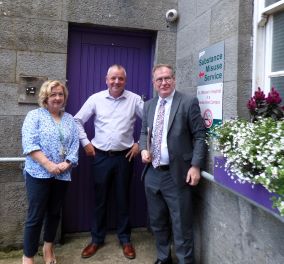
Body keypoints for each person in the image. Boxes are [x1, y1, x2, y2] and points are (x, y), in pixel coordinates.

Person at [74, 64, 144, 260]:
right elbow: (77, 120)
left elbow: (151, 121)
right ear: (106, 79)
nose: (116, 82)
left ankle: (125, 239)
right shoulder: (95, 99)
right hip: (100, 157)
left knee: (123, 199)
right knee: (100, 200)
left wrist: (140, 144)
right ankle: (96, 239)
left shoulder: (135, 99)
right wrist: (86, 143)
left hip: (125, 158)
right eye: (113, 78)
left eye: (120, 78)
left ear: (125, 81)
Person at [139, 64, 207, 264]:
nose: (164, 82)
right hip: (152, 174)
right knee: (157, 222)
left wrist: (195, 166)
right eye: (159, 79)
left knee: (181, 224)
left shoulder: (187, 102)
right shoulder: (149, 105)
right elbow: (144, 133)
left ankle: (186, 261)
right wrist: (144, 148)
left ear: (174, 79)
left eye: (167, 78)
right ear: (154, 83)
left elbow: (200, 136)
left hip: (177, 174)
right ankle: (163, 258)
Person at [21, 80, 79, 264]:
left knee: (54, 213)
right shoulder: (34, 116)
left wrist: (67, 163)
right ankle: (28, 256)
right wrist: (49, 165)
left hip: (62, 174)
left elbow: (74, 146)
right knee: (35, 216)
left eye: (60, 94)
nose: (57, 98)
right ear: (45, 97)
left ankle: (48, 247)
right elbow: (30, 144)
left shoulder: (69, 119)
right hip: (38, 173)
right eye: (53, 94)